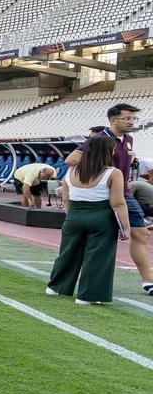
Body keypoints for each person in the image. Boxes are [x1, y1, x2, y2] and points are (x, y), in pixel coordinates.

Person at [66, 103, 153, 295]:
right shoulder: (98, 139)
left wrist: (125, 177)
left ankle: (148, 282)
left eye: (133, 119)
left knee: (141, 234)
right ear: (114, 120)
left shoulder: (128, 139)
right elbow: (71, 160)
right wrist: (103, 174)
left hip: (125, 194)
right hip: (103, 195)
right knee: (94, 240)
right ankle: (72, 278)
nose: (132, 122)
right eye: (127, 118)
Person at [48, 136, 131, 304]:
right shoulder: (113, 173)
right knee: (98, 257)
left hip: (74, 217)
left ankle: (56, 287)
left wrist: (72, 217)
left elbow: (66, 199)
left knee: (68, 253)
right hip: (101, 218)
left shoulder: (71, 170)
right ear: (108, 151)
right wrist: (125, 228)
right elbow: (118, 203)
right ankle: (88, 296)